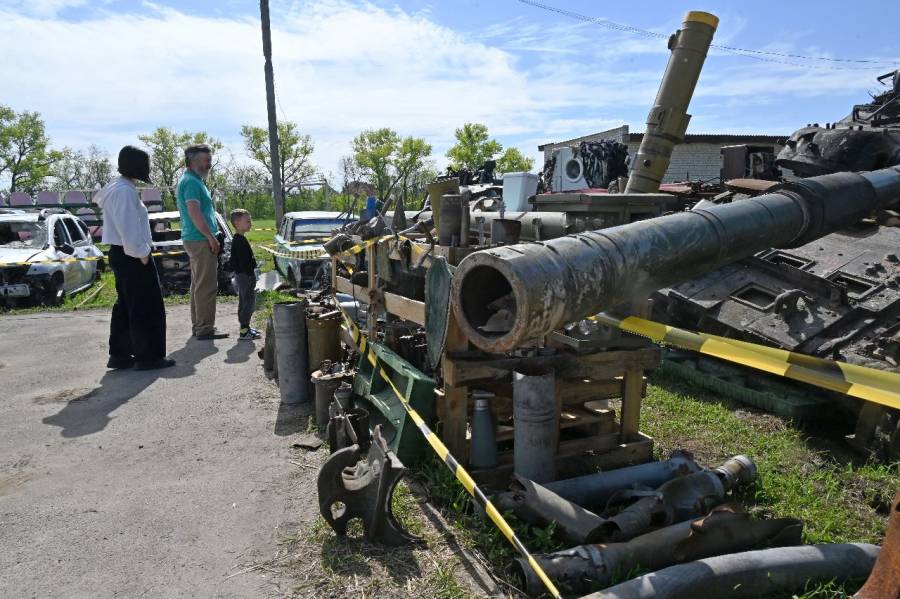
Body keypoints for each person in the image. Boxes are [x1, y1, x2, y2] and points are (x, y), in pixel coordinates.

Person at [95, 145, 175, 370]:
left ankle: (120, 354)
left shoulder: (117, 187)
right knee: (146, 306)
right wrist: (142, 254)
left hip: (122, 253)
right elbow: (128, 228)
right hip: (132, 254)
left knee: (127, 304)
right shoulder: (124, 191)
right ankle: (148, 356)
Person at [175, 144, 227, 340]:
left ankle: (199, 326)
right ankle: (205, 328)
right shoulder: (191, 182)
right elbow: (194, 212)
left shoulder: (193, 180)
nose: (209, 164)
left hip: (195, 238)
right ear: (193, 161)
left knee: (198, 285)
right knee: (206, 286)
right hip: (200, 239)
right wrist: (210, 236)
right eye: (206, 160)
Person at [228, 209, 261, 341]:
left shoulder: (240, 238)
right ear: (237, 223)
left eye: (250, 221)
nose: (250, 223)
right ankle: (244, 331)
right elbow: (240, 262)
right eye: (247, 221)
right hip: (244, 277)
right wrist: (249, 274)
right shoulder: (238, 240)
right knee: (247, 303)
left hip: (245, 276)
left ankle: (246, 327)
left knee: (247, 301)